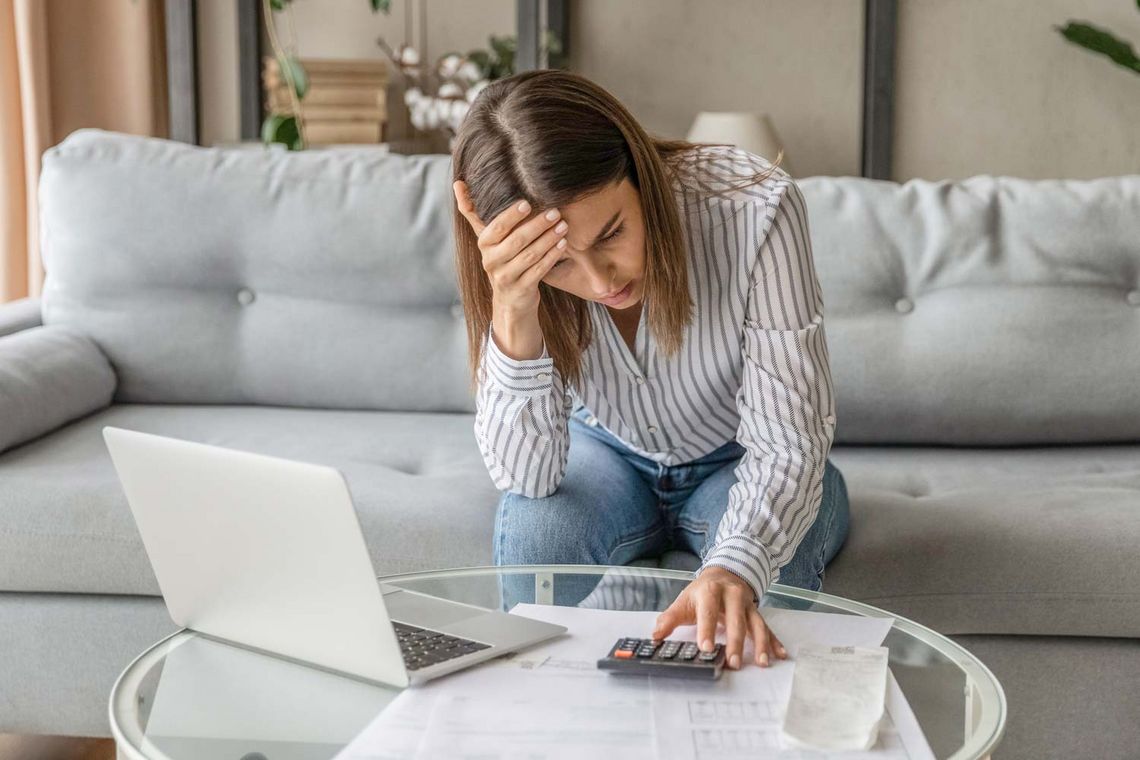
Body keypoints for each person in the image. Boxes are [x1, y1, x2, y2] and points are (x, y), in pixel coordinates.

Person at [450, 69, 849, 673]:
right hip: (605, 455)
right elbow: (525, 476)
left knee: (769, 568)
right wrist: (513, 304)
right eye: (557, 265)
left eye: (612, 232)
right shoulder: (518, 279)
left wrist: (733, 564)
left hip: (739, 460)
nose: (601, 281)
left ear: (638, 170)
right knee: (535, 529)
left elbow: (787, 443)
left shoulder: (756, 207)